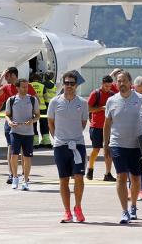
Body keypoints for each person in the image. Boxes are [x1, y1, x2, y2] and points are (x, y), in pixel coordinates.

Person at [104, 71, 142, 224]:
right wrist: (105, 143)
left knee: (135, 178)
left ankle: (133, 205)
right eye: (118, 81)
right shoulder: (111, 101)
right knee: (121, 176)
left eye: (123, 81)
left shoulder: (141, 99)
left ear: (130, 82)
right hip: (117, 144)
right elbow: (107, 123)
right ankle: (124, 211)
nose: (121, 84)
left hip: (136, 145)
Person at [48, 71, 89, 223]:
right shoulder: (54, 102)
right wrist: (57, 138)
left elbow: (83, 123)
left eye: (72, 83)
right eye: (67, 83)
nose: (69, 86)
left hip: (78, 145)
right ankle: (67, 212)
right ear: (63, 84)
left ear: (76, 85)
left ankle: (78, 207)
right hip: (61, 146)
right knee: (63, 180)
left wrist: (74, 135)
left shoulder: (83, 103)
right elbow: (50, 123)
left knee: (79, 178)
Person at [0, 67, 38, 185]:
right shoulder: (7, 87)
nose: (6, 79)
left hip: (26, 123)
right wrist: (1, 76)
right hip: (11, 123)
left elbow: (36, 101)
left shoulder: (27, 86)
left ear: (13, 75)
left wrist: (32, 118)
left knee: (25, 151)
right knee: (11, 149)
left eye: (7, 76)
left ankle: (24, 174)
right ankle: (12, 174)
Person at [5, 78, 40, 191]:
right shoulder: (11, 100)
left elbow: (37, 115)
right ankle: (15, 177)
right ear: (17, 87)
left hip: (29, 133)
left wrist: (32, 121)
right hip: (15, 132)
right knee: (14, 155)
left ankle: (25, 180)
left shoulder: (33, 100)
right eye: (23, 87)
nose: (26, 89)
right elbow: (7, 115)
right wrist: (10, 122)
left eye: (27, 86)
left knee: (27, 157)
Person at [86, 75, 116, 182]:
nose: (108, 88)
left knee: (108, 150)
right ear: (102, 84)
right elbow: (88, 109)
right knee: (96, 150)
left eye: (110, 86)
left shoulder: (113, 95)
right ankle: (90, 168)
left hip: (108, 128)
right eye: (106, 86)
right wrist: (101, 108)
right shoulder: (96, 94)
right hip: (96, 127)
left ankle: (108, 173)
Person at [29, 73, 48, 149]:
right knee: (44, 125)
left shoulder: (29, 85)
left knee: (33, 125)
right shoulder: (42, 86)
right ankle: (46, 142)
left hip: (32, 108)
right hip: (42, 108)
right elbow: (46, 97)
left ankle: (35, 142)